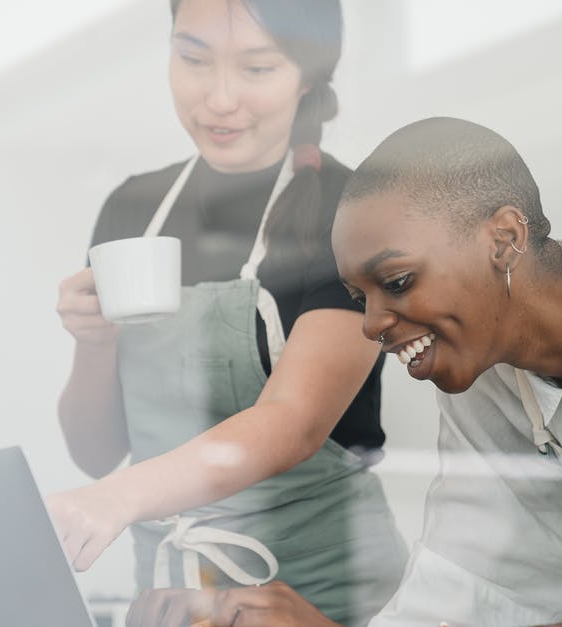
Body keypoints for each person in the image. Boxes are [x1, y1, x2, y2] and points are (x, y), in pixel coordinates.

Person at [170, 117, 562, 626]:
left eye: (396, 281)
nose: (372, 324)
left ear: (505, 240)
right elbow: (467, 586)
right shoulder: (490, 385)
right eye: (358, 296)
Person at [49, 1, 408, 625]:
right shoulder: (132, 209)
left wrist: (116, 500)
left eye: (256, 68)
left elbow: (292, 424)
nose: (218, 99)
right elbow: (95, 452)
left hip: (325, 598)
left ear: (307, 73)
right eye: (193, 60)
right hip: (172, 599)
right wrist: (95, 341)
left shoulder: (355, 211)